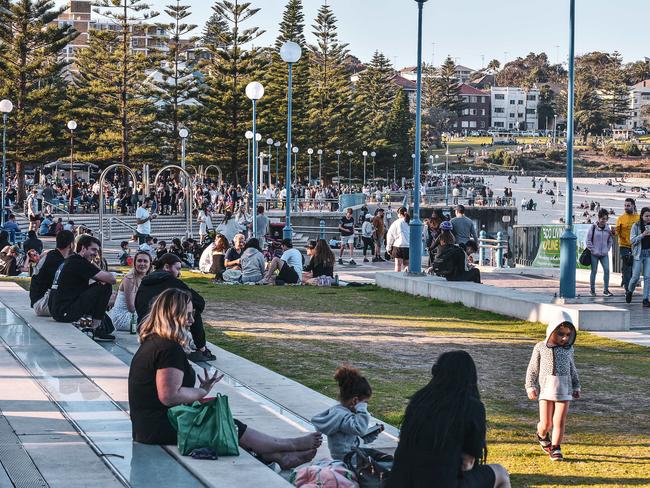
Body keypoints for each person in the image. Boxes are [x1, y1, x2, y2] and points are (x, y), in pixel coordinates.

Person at [128, 289, 322, 468]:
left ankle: (277, 456)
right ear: (172, 315)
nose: (192, 320)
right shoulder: (168, 348)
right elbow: (169, 396)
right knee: (223, 423)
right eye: (187, 315)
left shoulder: (155, 342)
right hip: (158, 428)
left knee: (223, 419)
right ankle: (287, 445)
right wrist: (201, 392)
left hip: (148, 425)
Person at [388, 351, 511, 488]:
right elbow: (467, 463)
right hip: (442, 482)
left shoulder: (419, 399)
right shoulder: (470, 406)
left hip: (399, 481)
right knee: (500, 472)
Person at [135, 253, 216, 362]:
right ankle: (201, 348)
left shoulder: (145, 281)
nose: (179, 273)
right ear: (167, 267)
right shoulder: (170, 281)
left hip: (143, 328)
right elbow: (199, 302)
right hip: (160, 329)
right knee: (193, 310)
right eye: (177, 269)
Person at [525, 321, 581, 462]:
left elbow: (572, 368)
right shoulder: (540, 347)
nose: (564, 338)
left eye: (568, 335)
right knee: (546, 424)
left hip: (564, 388)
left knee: (559, 421)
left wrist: (576, 386)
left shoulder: (569, 349)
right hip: (546, 389)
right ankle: (542, 434)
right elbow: (532, 368)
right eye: (561, 334)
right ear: (551, 332)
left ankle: (556, 448)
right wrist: (530, 386)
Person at [48, 235, 116, 341]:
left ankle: (96, 324)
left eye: (97, 251)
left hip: (57, 310)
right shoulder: (80, 263)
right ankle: (96, 327)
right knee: (105, 286)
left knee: (99, 286)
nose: (95, 254)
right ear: (83, 248)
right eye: (93, 249)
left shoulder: (70, 260)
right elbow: (112, 279)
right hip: (64, 312)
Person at [311, 366, 382, 461]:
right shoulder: (343, 417)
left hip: (351, 454)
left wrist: (370, 435)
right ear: (355, 401)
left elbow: (355, 437)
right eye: (365, 402)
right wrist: (362, 408)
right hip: (347, 458)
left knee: (381, 458)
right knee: (384, 462)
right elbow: (359, 429)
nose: (365, 406)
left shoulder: (342, 413)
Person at [30, 230, 75, 316]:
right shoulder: (57, 261)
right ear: (71, 244)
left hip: (40, 301)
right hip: (43, 303)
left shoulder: (51, 255)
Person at [108, 250, 152, 330]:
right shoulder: (130, 279)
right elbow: (131, 308)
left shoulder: (147, 279)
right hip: (124, 317)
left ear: (150, 264)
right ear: (134, 263)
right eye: (139, 261)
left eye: (145, 261)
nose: (142, 264)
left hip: (136, 313)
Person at [585, 209, 613, 297]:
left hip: (604, 254)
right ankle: (592, 290)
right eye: (602, 218)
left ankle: (606, 290)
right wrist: (593, 249)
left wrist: (607, 249)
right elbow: (588, 240)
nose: (603, 220)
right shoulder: (593, 227)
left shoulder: (608, 228)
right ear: (598, 218)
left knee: (607, 270)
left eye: (605, 219)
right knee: (594, 271)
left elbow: (610, 240)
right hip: (594, 254)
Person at [626, 206, 650, 307]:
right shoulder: (636, 226)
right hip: (638, 255)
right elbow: (632, 241)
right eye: (646, 216)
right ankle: (630, 291)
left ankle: (645, 299)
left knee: (648, 277)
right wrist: (642, 235)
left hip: (648, 254)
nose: (649, 218)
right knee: (635, 277)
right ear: (642, 216)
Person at [615, 198, 638, 291]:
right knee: (627, 265)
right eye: (625, 205)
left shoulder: (638, 217)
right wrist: (614, 232)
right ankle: (628, 290)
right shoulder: (620, 218)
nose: (626, 207)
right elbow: (616, 232)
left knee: (632, 266)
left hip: (635, 245)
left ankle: (625, 279)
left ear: (633, 206)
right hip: (624, 245)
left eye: (628, 205)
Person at [386, 206, 410, 272]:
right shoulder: (410, 222)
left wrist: (388, 248)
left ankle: (397, 279)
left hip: (398, 246)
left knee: (398, 265)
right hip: (408, 247)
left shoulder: (396, 222)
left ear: (399, 214)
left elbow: (390, 235)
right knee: (407, 265)